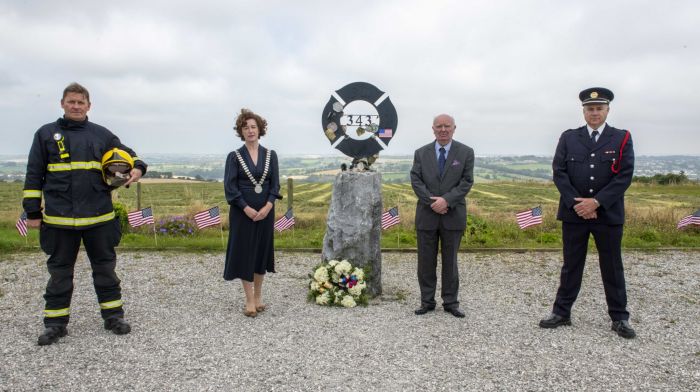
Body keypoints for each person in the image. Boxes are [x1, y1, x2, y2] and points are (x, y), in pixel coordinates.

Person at [22, 82, 147, 345]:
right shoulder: (45, 134)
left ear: (89, 106)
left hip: (99, 219)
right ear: (62, 104)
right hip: (58, 220)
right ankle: (55, 324)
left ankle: (113, 317)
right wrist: (32, 212)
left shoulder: (102, 135)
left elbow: (132, 157)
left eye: (81, 102)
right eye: (71, 101)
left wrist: (137, 169)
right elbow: (34, 175)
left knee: (105, 270)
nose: (76, 106)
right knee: (59, 274)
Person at [539, 87, 636, 339]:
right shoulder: (569, 137)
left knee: (612, 266)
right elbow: (559, 172)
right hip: (574, 214)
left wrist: (596, 203)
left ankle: (619, 317)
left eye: (599, 108)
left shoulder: (621, 137)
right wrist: (577, 204)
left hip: (607, 214)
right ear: (584, 111)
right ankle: (562, 312)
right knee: (571, 265)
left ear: (607, 110)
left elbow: (624, 175)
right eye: (590, 109)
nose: (594, 112)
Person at [410, 114, 474, 318]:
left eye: (447, 126)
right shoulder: (421, 153)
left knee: (450, 262)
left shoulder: (465, 152)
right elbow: (416, 180)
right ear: (433, 129)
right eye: (439, 126)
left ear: (454, 128)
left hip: (452, 215)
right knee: (425, 262)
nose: (443, 129)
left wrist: (446, 201)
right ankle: (427, 301)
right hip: (427, 216)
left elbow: (466, 181)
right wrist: (433, 202)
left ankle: (451, 302)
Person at [223, 108, 281, 317]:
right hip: (242, 213)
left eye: (253, 127)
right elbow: (230, 188)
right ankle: (248, 300)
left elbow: (275, 186)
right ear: (241, 131)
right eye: (245, 127)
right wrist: (246, 209)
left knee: (260, 254)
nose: (250, 130)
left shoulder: (270, 155)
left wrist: (267, 207)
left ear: (260, 129)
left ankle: (258, 297)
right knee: (245, 253)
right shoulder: (234, 157)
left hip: (266, 212)